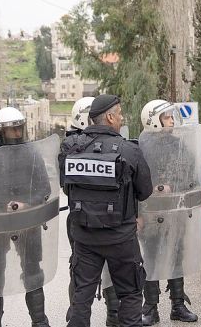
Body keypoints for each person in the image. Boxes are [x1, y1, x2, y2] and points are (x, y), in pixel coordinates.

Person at [62, 95, 153, 327]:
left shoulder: (70, 148)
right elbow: (145, 191)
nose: (122, 118)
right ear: (110, 117)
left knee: (81, 298)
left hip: (84, 237)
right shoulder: (129, 150)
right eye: (120, 113)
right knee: (130, 295)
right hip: (121, 238)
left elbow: (67, 188)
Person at [0, 107, 52, 327]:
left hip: (28, 222)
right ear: (0, 131)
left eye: (19, 128)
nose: (17, 133)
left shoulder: (31, 153)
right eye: (12, 129)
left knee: (33, 273)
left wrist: (28, 204)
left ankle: (40, 322)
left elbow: (43, 187)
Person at [59, 98, 122, 327]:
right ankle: (77, 313)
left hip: (101, 214)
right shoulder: (70, 145)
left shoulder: (113, 141)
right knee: (81, 267)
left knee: (105, 266)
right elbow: (66, 185)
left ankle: (112, 314)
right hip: (84, 216)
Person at [136, 99, 199, 325]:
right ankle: (150, 308)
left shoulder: (180, 145)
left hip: (175, 213)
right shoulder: (141, 148)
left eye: (172, 117)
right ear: (153, 120)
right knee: (151, 259)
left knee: (176, 257)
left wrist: (175, 186)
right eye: (166, 117)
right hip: (151, 214)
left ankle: (178, 305)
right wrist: (138, 214)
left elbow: (191, 176)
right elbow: (134, 184)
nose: (171, 121)